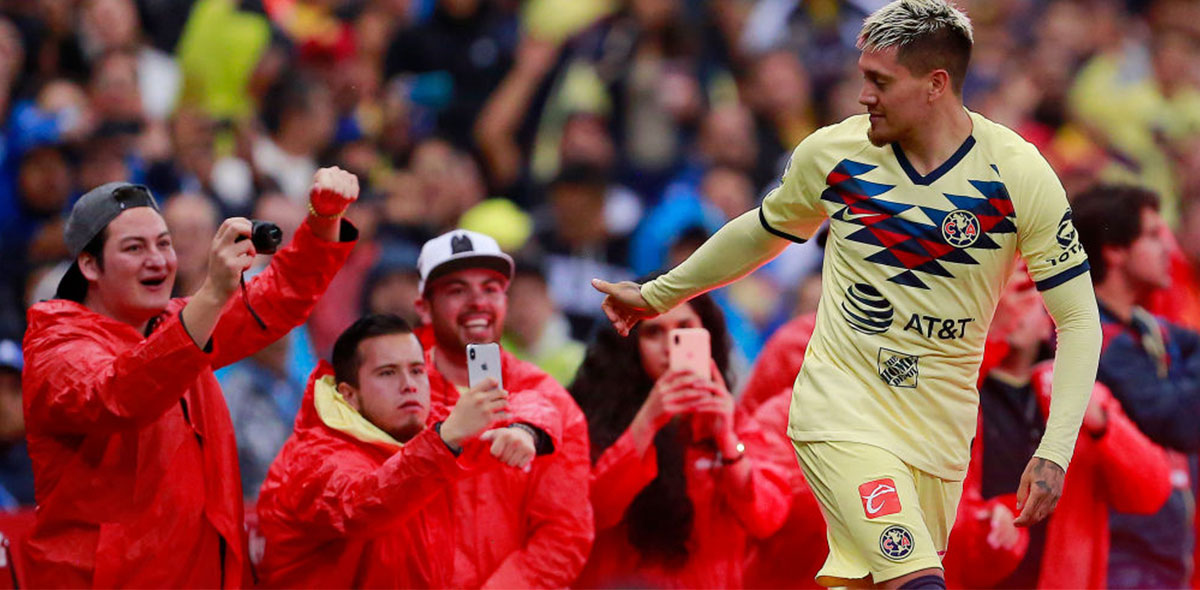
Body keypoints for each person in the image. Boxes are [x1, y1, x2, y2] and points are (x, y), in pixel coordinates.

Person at [592, 1, 1101, 587]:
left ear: (936, 85)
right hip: (841, 411)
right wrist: (658, 293)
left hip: (939, 428)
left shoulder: (1018, 173)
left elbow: (1078, 321)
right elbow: (761, 231)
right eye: (864, 78)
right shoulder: (834, 154)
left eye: (880, 82)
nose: (864, 96)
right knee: (917, 580)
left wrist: (1055, 449)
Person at [20, 168, 359, 587]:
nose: (157, 259)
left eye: (164, 244)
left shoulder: (178, 322)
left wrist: (323, 222)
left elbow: (278, 297)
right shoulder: (57, 345)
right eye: (134, 247)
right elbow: (120, 394)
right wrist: (212, 295)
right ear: (89, 265)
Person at [255, 314, 558, 588]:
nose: (409, 385)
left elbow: (540, 402)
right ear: (349, 396)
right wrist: (445, 439)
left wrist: (524, 430)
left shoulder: (431, 428)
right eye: (388, 373)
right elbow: (362, 506)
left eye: (416, 370)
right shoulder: (316, 456)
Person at [569, 287, 793, 588]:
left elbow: (767, 519)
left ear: (708, 336)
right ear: (629, 344)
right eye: (654, 332)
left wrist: (728, 442)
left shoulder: (733, 420)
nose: (670, 345)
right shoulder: (590, 419)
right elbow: (593, 513)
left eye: (685, 328)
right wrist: (647, 422)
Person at [964, 264, 1171, 588]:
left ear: (1050, 321)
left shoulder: (1076, 394)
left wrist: (1103, 423)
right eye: (1000, 294)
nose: (1013, 306)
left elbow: (1152, 491)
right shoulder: (959, 387)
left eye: (1027, 294)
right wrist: (989, 339)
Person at [413, 229, 594, 587]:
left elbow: (564, 534)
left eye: (491, 289)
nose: (477, 302)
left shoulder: (551, 397)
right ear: (423, 308)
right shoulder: (397, 393)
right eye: (457, 290)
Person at [1071, 184, 1200, 590]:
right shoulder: (1094, 338)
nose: (1169, 249)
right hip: (1121, 560)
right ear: (1114, 250)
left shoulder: (1145, 327)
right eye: (1153, 236)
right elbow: (1178, 421)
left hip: (1161, 558)